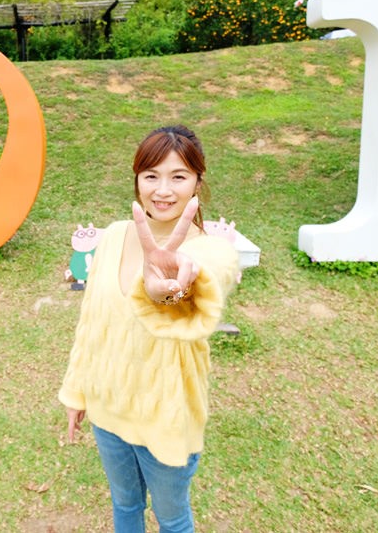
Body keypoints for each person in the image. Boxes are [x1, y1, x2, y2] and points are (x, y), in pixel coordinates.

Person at [58, 125, 241, 533]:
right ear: (137, 179)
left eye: (178, 176)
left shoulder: (209, 250)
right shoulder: (114, 236)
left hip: (165, 417)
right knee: (125, 507)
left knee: (172, 520)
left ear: (197, 183)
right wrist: (77, 391)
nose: (163, 189)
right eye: (151, 175)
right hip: (108, 411)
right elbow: (92, 323)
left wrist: (167, 294)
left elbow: (201, 289)